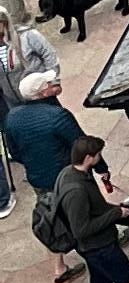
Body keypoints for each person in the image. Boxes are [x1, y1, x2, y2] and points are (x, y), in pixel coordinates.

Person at [50, 140, 129, 283]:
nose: (100, 158)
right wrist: (115, 213)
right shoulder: (76, 191)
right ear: (89, 158)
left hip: (96, 247)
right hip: (99, 247)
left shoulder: (69, 173)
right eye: (98, 155)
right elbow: (81, 229)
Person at [2, 66, 86, 225]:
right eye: (47, 84)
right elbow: (81, 144)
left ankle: (64, 236)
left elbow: (15, 152)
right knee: (82, 210)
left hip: (38, 179)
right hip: (68, 176)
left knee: (56, 214)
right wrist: (101, 169)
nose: (51, 84)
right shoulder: (58, 116)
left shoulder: (11, 117)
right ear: (42, 93)